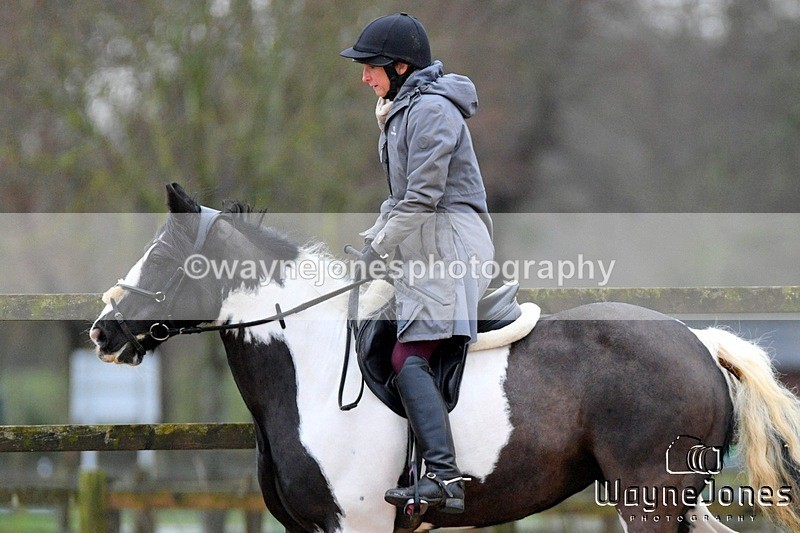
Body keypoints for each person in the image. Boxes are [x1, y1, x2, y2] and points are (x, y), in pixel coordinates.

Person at [341, 13, 494, 514]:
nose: (365, 76)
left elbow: (423, 198)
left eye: (372, 67)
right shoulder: (401, 111)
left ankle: (445, 478)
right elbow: (398, 201)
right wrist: (371, 243)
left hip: (452, 242)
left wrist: (381, 248)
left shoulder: (430, 111)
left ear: (401, 67)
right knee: (376, 336)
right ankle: (408, 464)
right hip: (425, 239)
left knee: (408, 357)